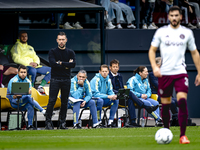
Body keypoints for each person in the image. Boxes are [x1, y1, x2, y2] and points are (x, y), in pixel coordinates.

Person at [148, 6, 200, 144]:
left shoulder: (187, 33)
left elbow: (194, 52)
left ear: (181, 17)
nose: (174, 18)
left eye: (177, 15)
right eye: (172, 15)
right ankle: (166, 131)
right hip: (165, 74)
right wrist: (155, 67)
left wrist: (199, 72)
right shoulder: (161, 32)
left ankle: (183, 135)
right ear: (168, 17)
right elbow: (152, 51)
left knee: (182, 101)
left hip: (180, 73)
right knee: (165, 104)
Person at [109, 59, 158, 127]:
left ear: (118, 67)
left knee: (130, 98)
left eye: (116, 67)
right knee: (129, 92)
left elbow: (121, 87)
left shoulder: (119, 76)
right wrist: (121, 92)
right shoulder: (108, 77)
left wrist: (122, 92)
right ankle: (145, 106)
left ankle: (133, 122)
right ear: (110, 67)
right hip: (113, 97)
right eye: (114, 67)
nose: (115, 68)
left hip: (121, 95)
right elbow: (110, 89)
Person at [45, 32, 76, 130]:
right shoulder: (52, 51)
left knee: (64, 102)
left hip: (66, 79)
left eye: (63, 39)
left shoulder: (70, 52)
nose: (61, 41)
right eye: (60, 39)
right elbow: (53, 64)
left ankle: (62, 123)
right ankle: (48, 123)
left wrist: (61, 63)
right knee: (52, 101)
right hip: (55, 79)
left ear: (66, 40)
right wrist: (66, 65)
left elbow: (73, 65)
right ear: (57, 40)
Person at [6, 65, 46, 130]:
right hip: (13, 103)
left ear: (26, 73)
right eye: (21, 72)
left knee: (30, 105)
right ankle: (43, 111)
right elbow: (13, 96)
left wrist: (21, 95)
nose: (23, 74)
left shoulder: (28, 81)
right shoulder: (13, 80)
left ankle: (30, 125)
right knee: (27, 98)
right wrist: (22, 94)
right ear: (18, 72)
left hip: (23, 102)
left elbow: (29, 95)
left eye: (24, 72)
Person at [149, 57, 179, 126]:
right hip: (158, 95)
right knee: (172, 102)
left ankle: (181, 119)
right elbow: (158, 85)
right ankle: (176, 120)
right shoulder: (152, 74)